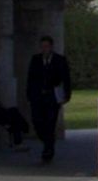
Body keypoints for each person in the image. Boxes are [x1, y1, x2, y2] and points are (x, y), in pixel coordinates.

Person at [24, 36, 73, 164]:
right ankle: (48, 142)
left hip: (52, 97)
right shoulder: (36, 59)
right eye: (42, 46)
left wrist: (67, 95)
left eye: (46, 46)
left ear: (51, 47)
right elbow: (30, 78)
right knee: (37, 121)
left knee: (50, 123)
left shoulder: (59, 60)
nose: (44, 49)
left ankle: (48, 150)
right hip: (38, 97)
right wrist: (29, 94)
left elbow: (66, 78)